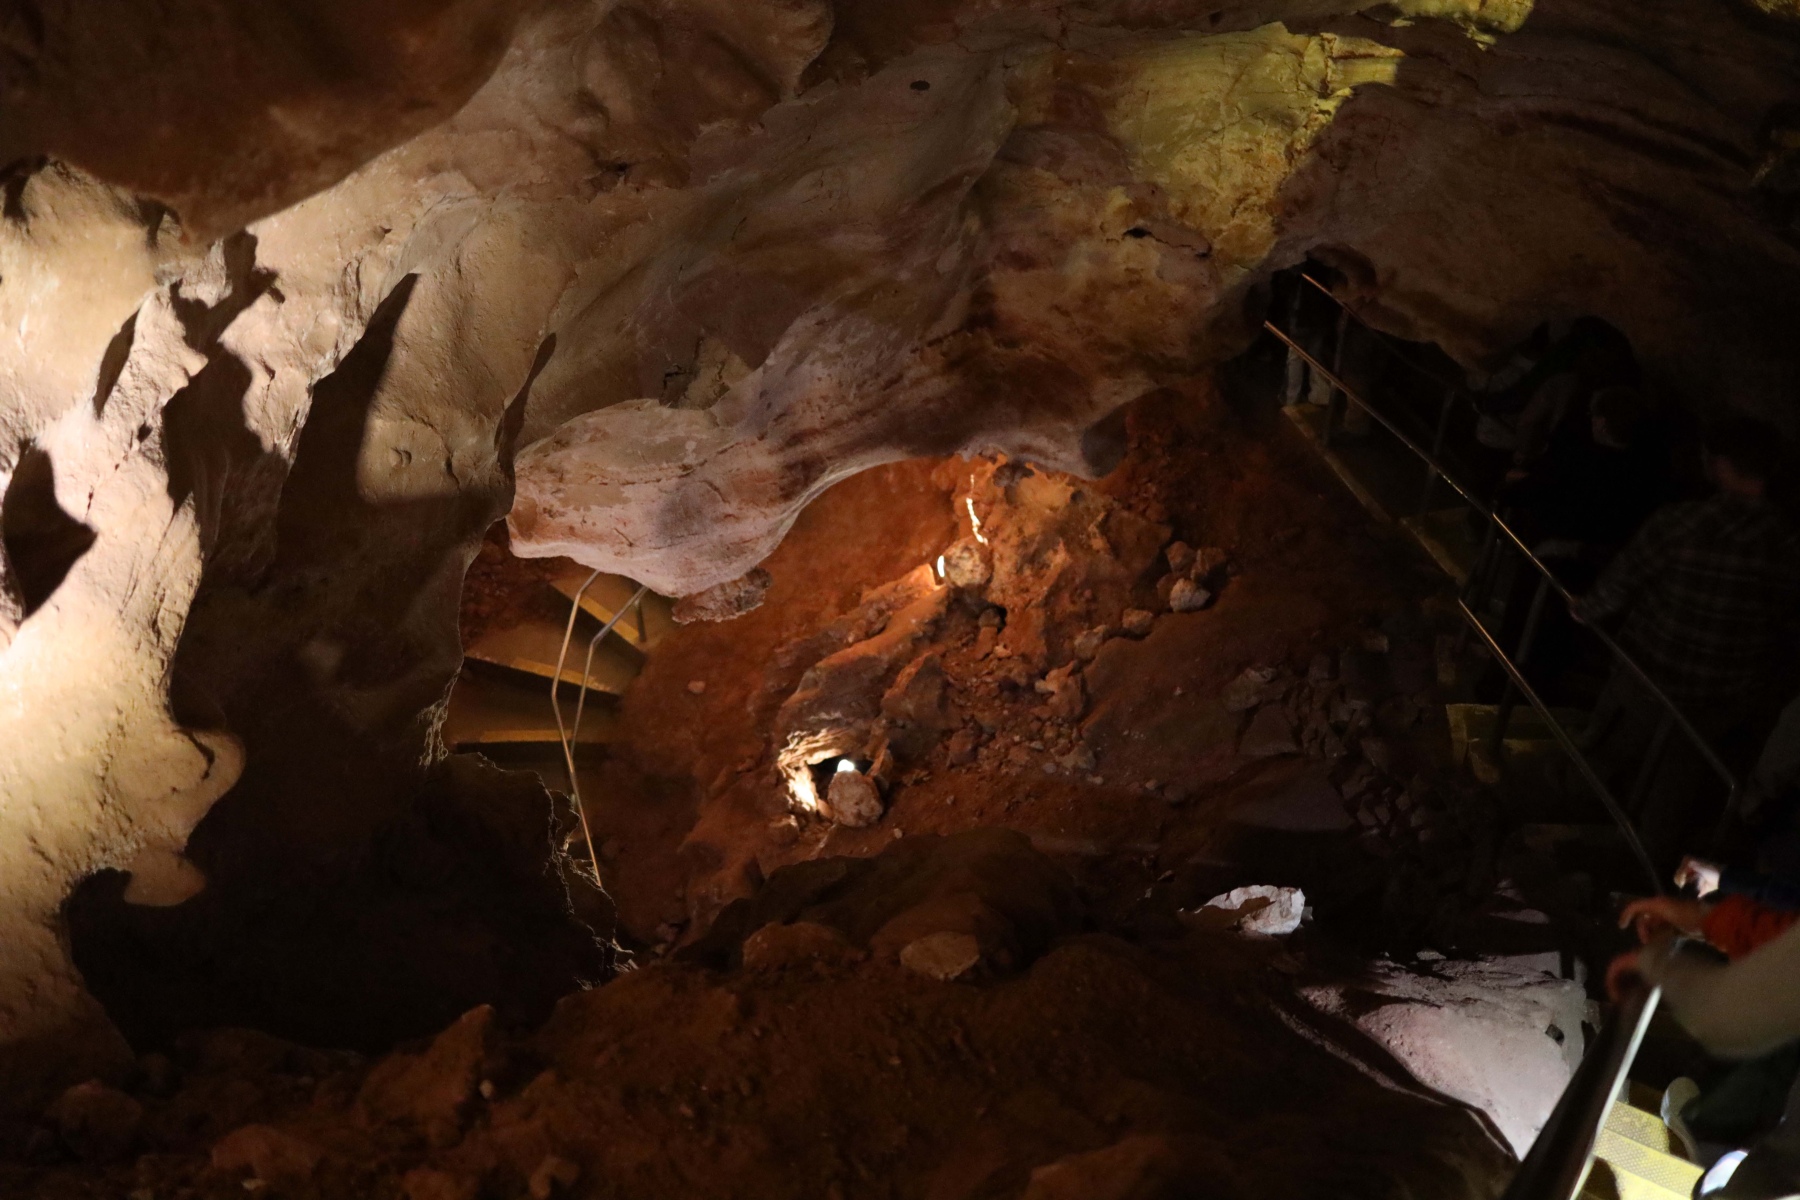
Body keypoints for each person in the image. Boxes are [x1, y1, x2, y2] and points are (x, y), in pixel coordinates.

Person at [1571, 415, 1800, 868]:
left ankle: (1576, 813)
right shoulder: (1788, 545)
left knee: (1612, 748)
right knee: (1680, 772)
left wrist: (1584, 609)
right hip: (1721, 693)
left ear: (1718, 464)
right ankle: (1648, 860)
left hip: (1648, 676)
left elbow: (1617, 588)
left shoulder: (1680, 524)